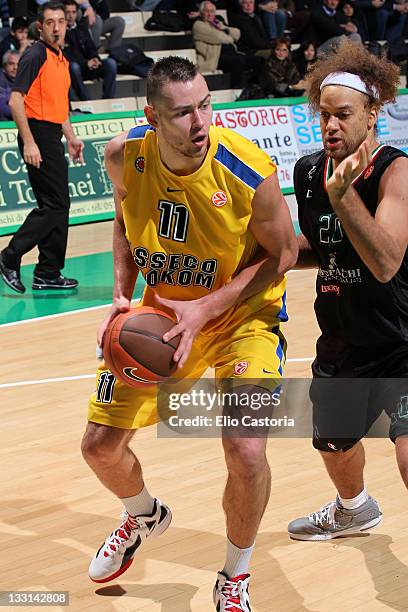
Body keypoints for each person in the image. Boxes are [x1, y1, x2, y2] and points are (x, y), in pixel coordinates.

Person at [81, 56, 298, 610]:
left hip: (241, 318)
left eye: (205, 105)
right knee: (100, 449)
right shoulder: (123, 156)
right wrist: (120, 296)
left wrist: (211, 306)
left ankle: (235, 576)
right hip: (163, 317)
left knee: (246, 451)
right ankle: (143, 516)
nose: (201, 122)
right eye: (183, 113)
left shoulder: (246, 167)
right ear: (152, 116)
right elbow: (125, 224)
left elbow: (286, 253)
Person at [286, 39, 408, 541]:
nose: (331, 125)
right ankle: (354, 509)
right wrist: (268, 253)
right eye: (324, 115)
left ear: (372, 112)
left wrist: (343, 195)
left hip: (400, 337)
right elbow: (326, 247)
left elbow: (384, 261)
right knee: (332, 444)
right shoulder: (310, 171)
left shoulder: (395, 172)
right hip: (342, 336)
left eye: (343, 114)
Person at [0, 1, 84, 294]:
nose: (57, 26)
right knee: (55, 205)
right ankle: (9, 256)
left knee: (59, 206)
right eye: (50, 22)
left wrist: (71, 138)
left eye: (61, 21)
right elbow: (15, 100)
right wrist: (30, 142)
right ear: (41, 26)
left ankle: (48, 271)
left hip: (52, 134)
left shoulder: (60, 58)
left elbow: (60, 107)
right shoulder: (35, 54)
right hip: (36, 134)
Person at [193, 1, 263, 88]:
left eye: (212, 11)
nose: (210, 14)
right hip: (216, 57)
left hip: (233, 53)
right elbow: (219, 37)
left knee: (259, 60)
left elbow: (237, 33)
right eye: (207, 11)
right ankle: (237, 90)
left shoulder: (217, 23)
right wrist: (227, 34)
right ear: (201, 12)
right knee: (238, 62)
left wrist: (224, 29)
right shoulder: (198, 25)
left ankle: (255, 86)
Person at [64, 0, 117, 101]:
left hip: (88, 66)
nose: (71, 16)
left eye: (73, 12)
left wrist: (95, 58)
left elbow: (91, 47)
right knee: (73, 67)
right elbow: (66, 57)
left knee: (111, 63)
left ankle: (108, 99)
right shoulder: (60, 32)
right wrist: (85, 63)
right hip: (75, 70)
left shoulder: (81, 27)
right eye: (68, 12)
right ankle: (86, 100)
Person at [0, 51, 19, 121]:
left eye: (18, 64)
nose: (15, 67)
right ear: (4, 65)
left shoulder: (25, 78)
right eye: (11, 64)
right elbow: (2, 108)